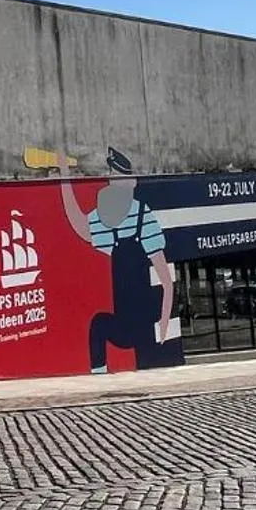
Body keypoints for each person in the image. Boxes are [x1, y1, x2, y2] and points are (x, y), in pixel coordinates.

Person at [59, 147, 182, 372]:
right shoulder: (105, 220)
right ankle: (100, 378)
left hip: (145, 323)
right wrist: (64, 178)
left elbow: (165, 280)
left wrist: (163, 322)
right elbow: (79, 224)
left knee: (150, 371)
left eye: (117, 178)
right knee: (98, 326)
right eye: (110, 178)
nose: (111, 183)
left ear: (130, 183)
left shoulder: (143, 217)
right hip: (124, 323)